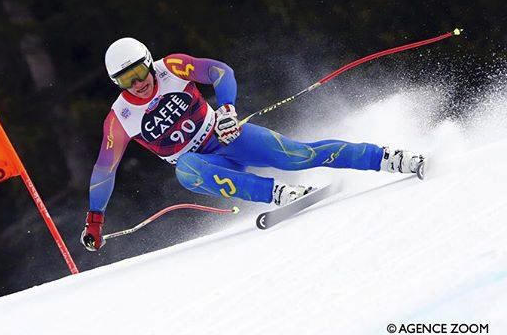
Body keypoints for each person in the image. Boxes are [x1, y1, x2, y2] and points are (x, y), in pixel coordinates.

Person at [81, 38, 423, 251]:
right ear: (116, 82)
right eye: (126, 79)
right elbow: (104, 170)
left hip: (227, 136)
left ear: (148, 62)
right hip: (207, 167)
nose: (138, 83)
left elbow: (220, 72)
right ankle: (279, 194)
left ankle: (387, 158)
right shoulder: (120, 117)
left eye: (139, 72)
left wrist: (228, 110)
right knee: (186, 170)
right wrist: (94, 220)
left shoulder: (171, 68)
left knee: (298, 156)